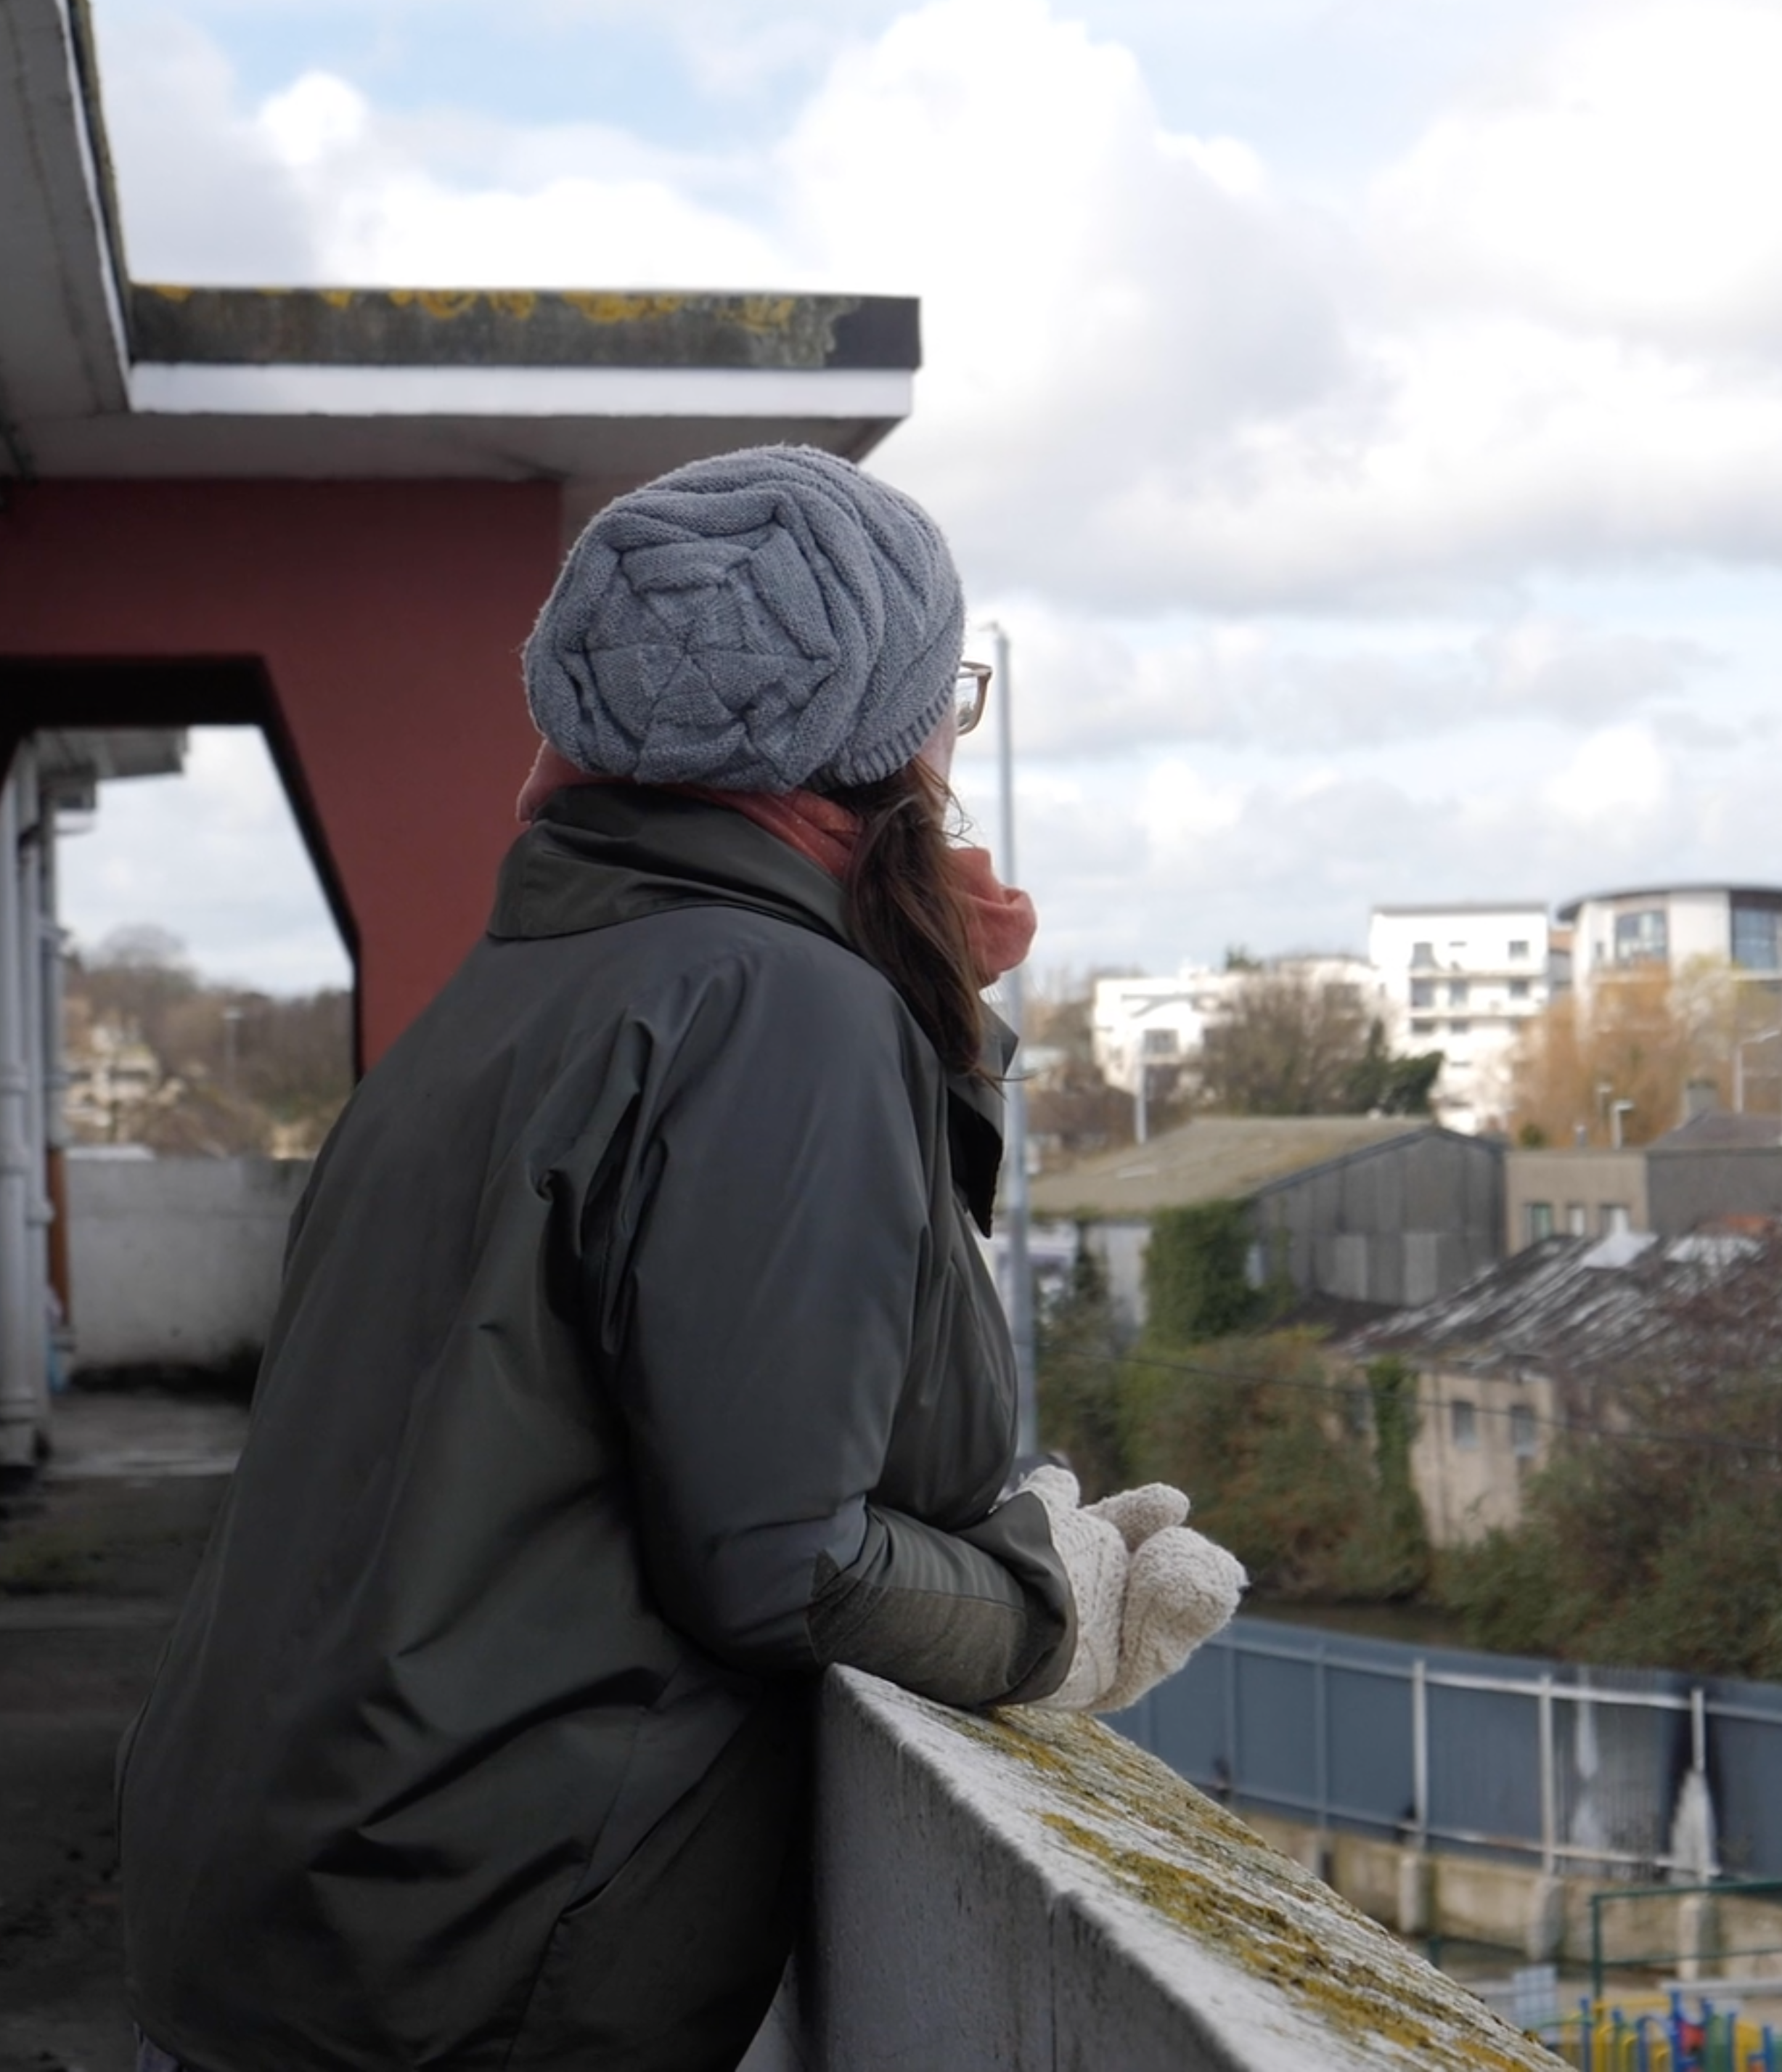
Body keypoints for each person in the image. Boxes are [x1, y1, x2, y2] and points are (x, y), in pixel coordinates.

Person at [115, 446, 1241, 2072]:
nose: (953, 749)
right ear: (877, 748)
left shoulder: (532, 985)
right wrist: (1044, 1621)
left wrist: (918, 1011)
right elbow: (795, 1550)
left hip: (296, 1898)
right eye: (951, 702)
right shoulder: (776, 1008)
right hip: (476, 1958)